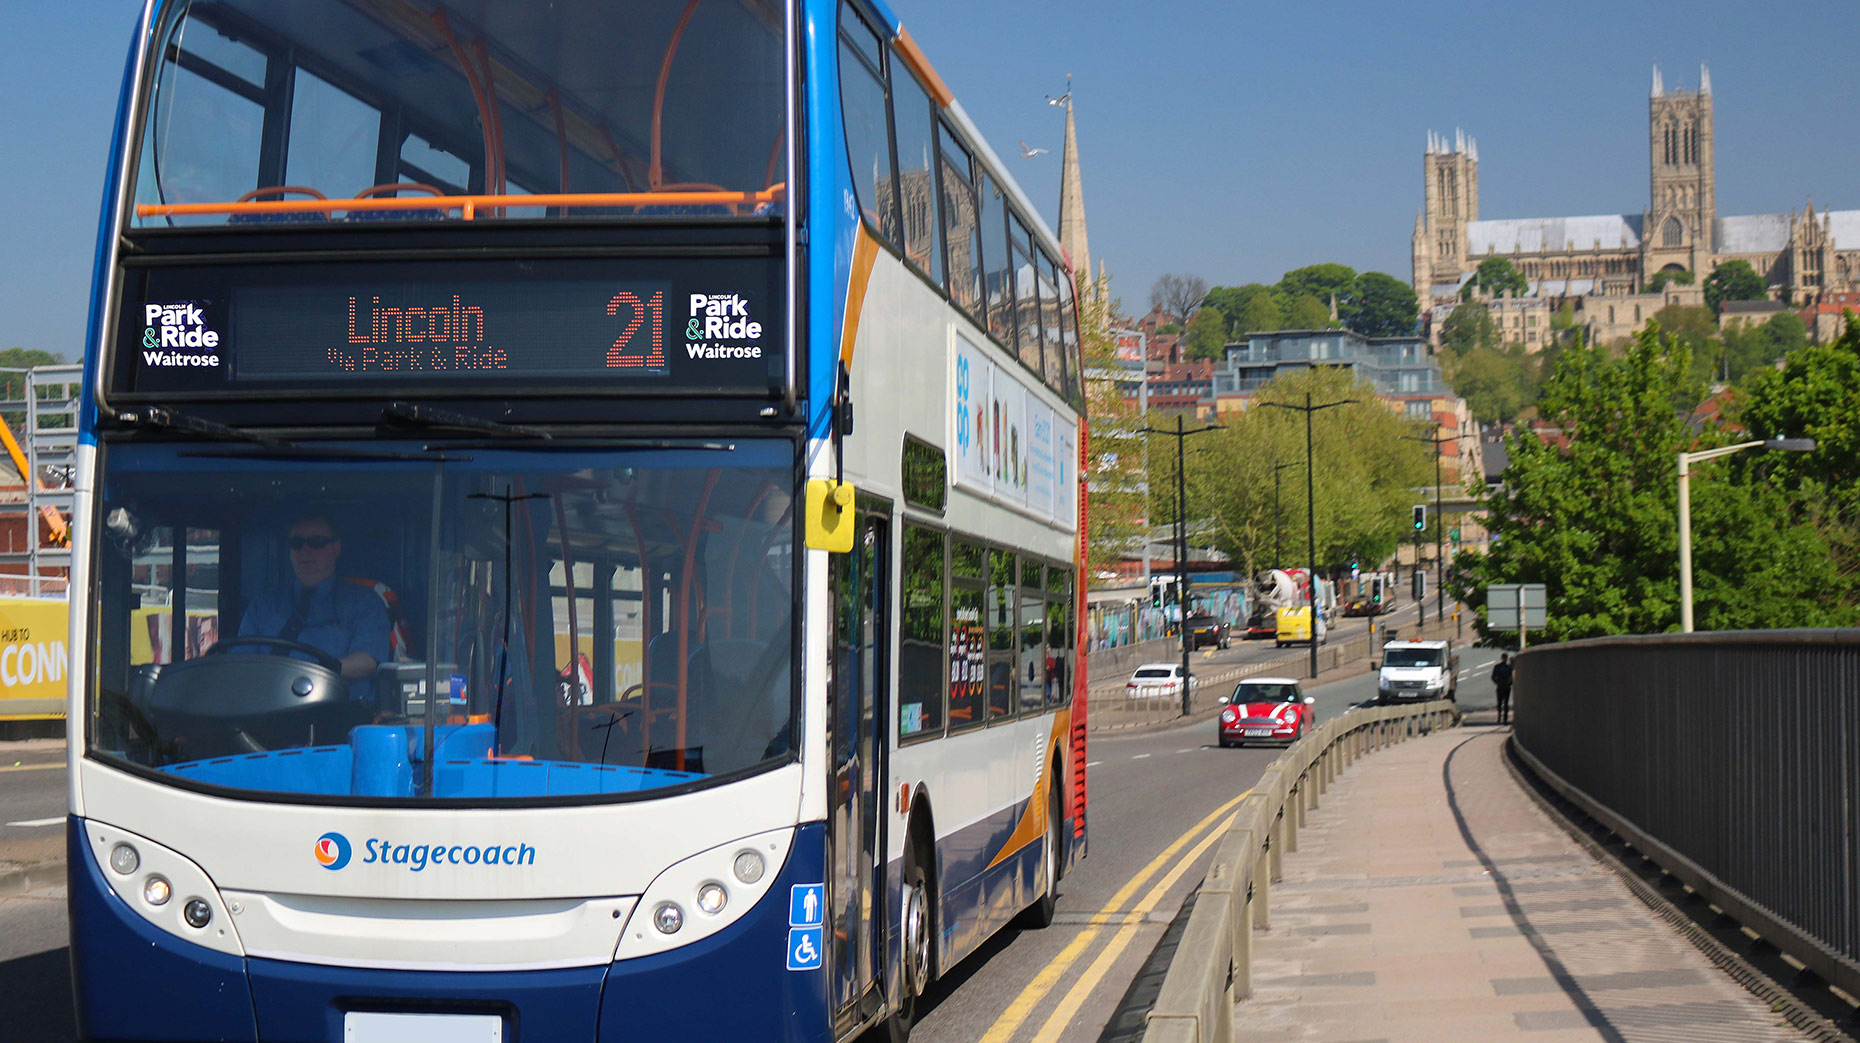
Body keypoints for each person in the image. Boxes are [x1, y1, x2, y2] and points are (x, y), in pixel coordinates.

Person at [238, 512, 391, 703]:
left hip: (337, 715)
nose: (305, 551)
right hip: (265, 712)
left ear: (336, 548)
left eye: (316, 542)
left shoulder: (364, 603)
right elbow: (241, 663)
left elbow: (367, 661)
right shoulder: (263, 605)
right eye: (297, 543)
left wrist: (314, 671)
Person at [1491, 653, 1514, 725]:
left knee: (1504, 703)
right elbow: (1493, 677)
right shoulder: (1501, 667)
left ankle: (1504, 718)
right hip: (1502, 687)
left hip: (1504, 687)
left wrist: (1508, 683)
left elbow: (1511, 677)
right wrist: (1498, 683)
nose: (1504, 659)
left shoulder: (1507, 667)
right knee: (1500, 703)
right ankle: (1500, 717)